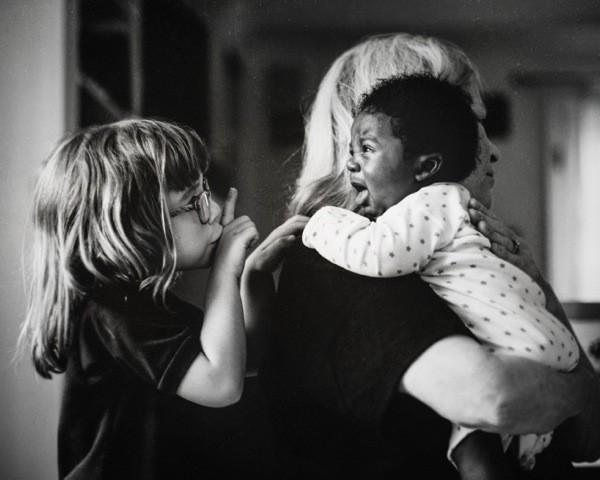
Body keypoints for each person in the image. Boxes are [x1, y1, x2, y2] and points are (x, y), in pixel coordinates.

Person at [257, 33, 600, 479]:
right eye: (471, 123)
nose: (492, 148)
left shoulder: (463, 250)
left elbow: (589, 435)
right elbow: (494, 397)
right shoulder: (340, 267)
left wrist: (539, 287)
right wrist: (578, 388)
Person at [19, 119, 266, 479]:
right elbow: (222, 384)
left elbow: (238, 363)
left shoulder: (145, 303)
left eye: (205, 190)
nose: (213, 210)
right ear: (134, 226)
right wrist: (224, 273)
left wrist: (252, 274)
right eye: (193, 202)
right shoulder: (114, 312)